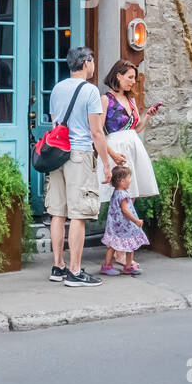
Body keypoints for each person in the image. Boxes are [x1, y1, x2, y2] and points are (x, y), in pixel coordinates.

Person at [46, 46, 123, 288]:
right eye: (92, 61)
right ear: (86, 62)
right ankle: (75, 271)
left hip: (57, 154)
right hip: (79, 153)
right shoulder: (90, 91)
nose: (93, 66)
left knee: (57, 212)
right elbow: (96, 131)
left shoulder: (57, 88)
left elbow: (53, 120)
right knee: (78, 214)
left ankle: (58, 266)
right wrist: (107, 164)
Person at [98, 59, 160, 275]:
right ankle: (117, 250)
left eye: (134, 78)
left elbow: (137, 128)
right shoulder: (106, 100)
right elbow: (97, 131)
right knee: (119, 202)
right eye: (130, 77)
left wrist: (146, 116)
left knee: (131, 199)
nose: (133, 82)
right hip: (116, 148)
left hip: (133, 145)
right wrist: (111, 155)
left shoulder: (131, 100)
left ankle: (123, 250)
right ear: (118, 76)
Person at [100, 167, 149, 276]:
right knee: (128, 245)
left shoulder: (116, 192)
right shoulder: (123, 195)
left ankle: (121, 266)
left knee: (114, 245)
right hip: (124, 226)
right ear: (122, 181)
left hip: (116, 224)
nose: (130, 181)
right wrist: (136, 221)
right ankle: (121, 266)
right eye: (129, 178)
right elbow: (125, 211)